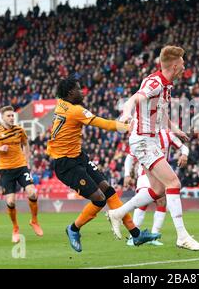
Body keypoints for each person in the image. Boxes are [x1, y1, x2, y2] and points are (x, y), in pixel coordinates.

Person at [107, 46, 199, 251]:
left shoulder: (166, 86)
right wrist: (126, 113)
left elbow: (162, 113)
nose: (185, 67)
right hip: (143, 140)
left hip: (149, 139)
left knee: (159, 189)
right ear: (175, 65)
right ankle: (182, 236)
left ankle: (117, 213)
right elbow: (134, 99)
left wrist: (176, 130)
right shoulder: (155, 82)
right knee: (173, 182)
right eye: (183, 64)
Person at [46, 76, 160, 252]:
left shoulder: (61, 104)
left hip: (78, 156)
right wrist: (128, 128)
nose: (82, 92)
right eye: (78, 89)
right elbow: (103, 124)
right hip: (66, 164)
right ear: (70, 93)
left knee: (108, 190)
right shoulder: (75, 110)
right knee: (99, 199)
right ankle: (73, 229)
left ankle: (136, 234)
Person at [0, 106, 43, 243]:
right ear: (2, 117)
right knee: (10, 202)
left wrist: (27, 159)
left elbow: (26, 143)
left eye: (12, 115)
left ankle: (34, 221)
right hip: (6, 170)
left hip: (21, 167)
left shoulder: (19, 130)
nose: (11, 118)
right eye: (9, 116)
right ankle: (15, 228)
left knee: (33, 193)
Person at [125, 128, 189, 246]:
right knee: (143, 202)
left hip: (161, 173)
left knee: (162, 202)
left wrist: (184, 154)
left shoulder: (168, 135)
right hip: (145, 172)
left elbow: (184, 147)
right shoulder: (143, 134)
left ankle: (154, 237)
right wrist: (127, 174)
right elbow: (130, 157)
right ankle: (132, 237)